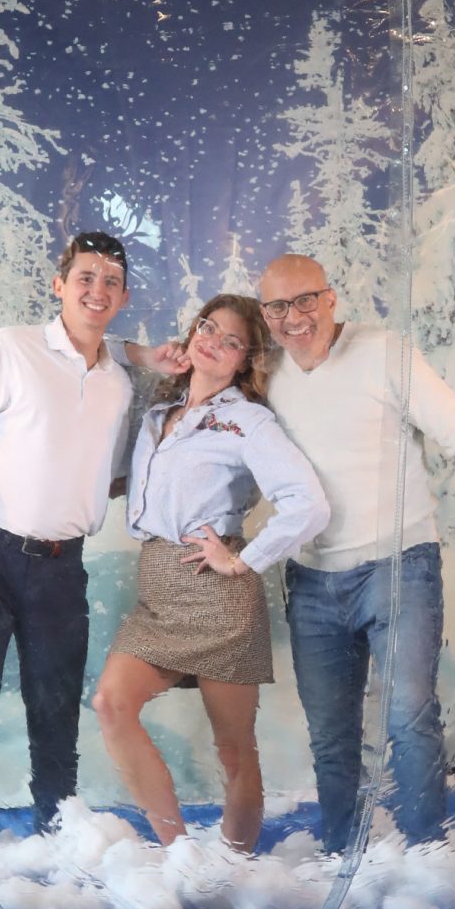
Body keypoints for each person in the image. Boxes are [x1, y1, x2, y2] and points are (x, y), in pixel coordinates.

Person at [256, 252, 455, 852]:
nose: (295, 317)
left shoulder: (384, 353)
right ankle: (342, 854)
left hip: (399, 565)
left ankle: (425, 856)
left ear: (330, 299)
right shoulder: (267, 376)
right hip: (312, 581)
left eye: (306, 300)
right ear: (265, 315)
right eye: (279, 307)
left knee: (409, 716)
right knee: (331, 734)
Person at [0, 230, 140, 845]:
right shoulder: (9, 348)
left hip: (61, 569)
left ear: (123, 298)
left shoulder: (118, 384)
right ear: (59, 285)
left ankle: (56, 841)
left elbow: (106, 476)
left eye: (111, 282)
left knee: (57, 717)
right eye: (85, 277)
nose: (97, 290)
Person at [93, 296, 328, 851]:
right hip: (158, 592)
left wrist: (242, 560)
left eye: (231, 341)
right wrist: (150, 356)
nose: (213, 342)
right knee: (111, 704)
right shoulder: (159, 411)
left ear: (246, 360)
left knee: (234, 749)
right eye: (207, 327)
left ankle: (236, 864)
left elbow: (309, 504)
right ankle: (179, 855)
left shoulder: (248, 421)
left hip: (218, 596)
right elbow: (96, 347)